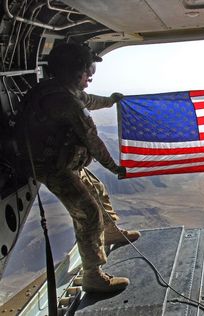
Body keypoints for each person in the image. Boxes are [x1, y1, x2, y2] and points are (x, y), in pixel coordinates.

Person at [18, 42, 140, 293]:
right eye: (88, 73)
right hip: (54, 168)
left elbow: (89, 99)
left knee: (97, 189)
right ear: (75, 71)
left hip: (63, 162)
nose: (90, 78)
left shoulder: (57, 90)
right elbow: (92, 139)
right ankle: (93, 274)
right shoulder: (65, 102)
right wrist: (115, 166)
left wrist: (110, 101)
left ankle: (109, 231)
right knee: (88, 211)